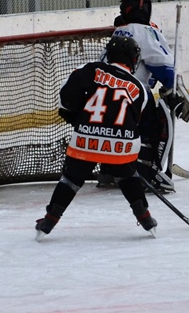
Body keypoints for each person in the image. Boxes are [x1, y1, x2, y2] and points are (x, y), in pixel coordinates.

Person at [35, 36, 157, 241]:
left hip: (86, 140)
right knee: (128, 176)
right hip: (122, 144)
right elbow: (138, 122)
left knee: (71, 178)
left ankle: (49, 221)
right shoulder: (139, 87)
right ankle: (146, 219)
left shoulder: (91, 69)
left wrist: (77, 118)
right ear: (133, 59)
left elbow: (66, 99)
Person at [99, 0, 189, 194]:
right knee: (154, 125)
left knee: (116, 130)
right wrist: (174, 90)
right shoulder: (144, 31)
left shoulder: (118, 32)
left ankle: (109, 170)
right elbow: (163, 66)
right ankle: (145, 173)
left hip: (103, 97)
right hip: (132, 94)